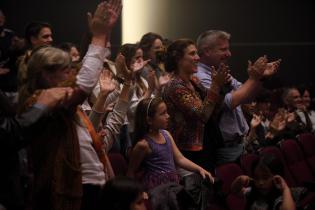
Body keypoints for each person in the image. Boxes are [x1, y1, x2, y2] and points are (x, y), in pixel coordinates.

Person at [17, 1, 122, 210]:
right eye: (65, 69)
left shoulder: (62, 101)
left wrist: (102, 34)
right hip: (70, 189)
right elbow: (84, 83)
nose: (70, 73)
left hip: (90, 184)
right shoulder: (41, 100)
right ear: (45, 74)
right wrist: (99, 36)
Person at [195, 30, 281, 165]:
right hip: (223, 148)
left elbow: (246, 96)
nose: (229, 54)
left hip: (239, 143)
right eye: (223, 49)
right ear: (206, 51)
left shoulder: (219, 70)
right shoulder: (200, 76)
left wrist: (260, 78)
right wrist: (254, 77)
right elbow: (229, 102)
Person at [162, 38, 228, 173]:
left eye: (197, 53)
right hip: (187, 150)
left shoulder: (194, 81)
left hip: (204, 143)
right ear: (178, 59)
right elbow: (202, 115)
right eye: (192, 54)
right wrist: (215, 86)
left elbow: (215, 107)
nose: (197, 58)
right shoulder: (175, 86)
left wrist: (220, 85)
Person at [127, 97, 214, 190]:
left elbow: (180, 159)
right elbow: (131, 173)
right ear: (149, 120)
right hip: (157, 190)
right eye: (163, 114)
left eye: (166, 112)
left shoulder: (166, 134)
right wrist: (138, 193)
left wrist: (200, 169)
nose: (168, 116)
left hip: (173, 185)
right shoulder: (143, 145)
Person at [231, 155, 296, 210]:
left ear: (277, 178)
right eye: (256, 178)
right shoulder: (252, 191)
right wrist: (239, 179)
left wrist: (285, 188)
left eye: (265, 178)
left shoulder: (279, 199)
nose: (260, 182)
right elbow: (235, 191)